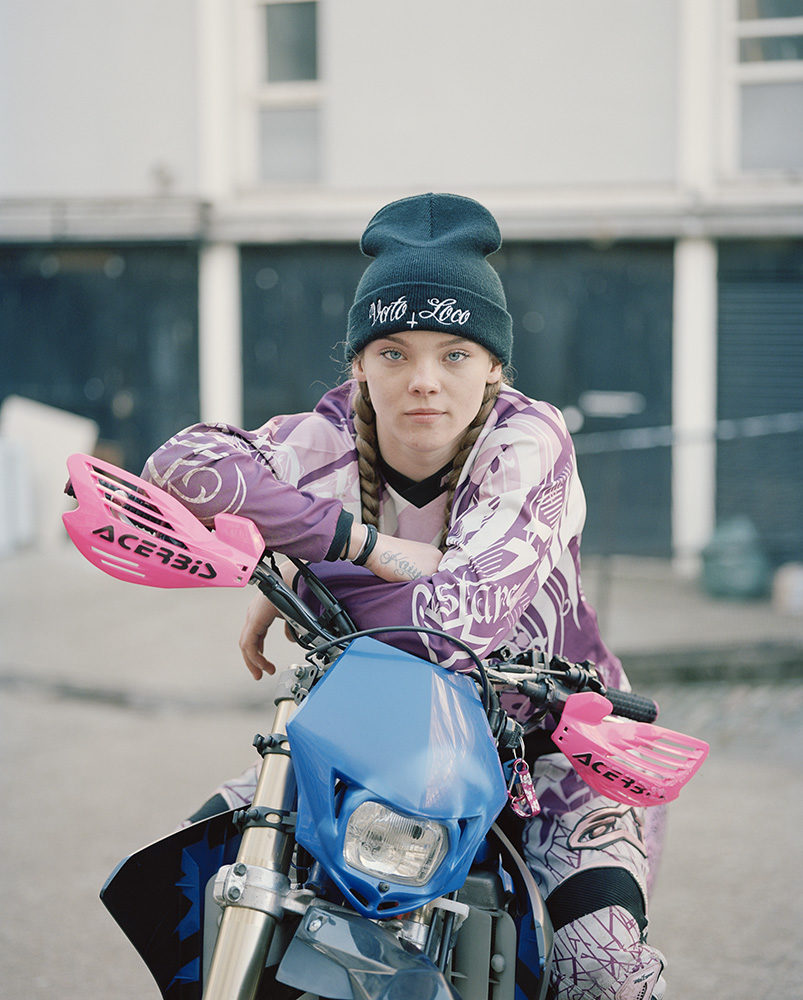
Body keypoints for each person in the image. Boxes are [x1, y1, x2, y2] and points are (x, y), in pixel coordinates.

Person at [144, 192, 667, 1000]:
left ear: (494, 365)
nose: (423, 382)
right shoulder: (318, 440)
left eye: (454, 354)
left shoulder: (527, 442)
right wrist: (354, 545)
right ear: (358, 363)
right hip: (366, 746)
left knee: (596, 971)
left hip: (549, 765)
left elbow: (457, 620)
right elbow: (178, 468)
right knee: (186, 887)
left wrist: (300, 572)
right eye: (393, 352)